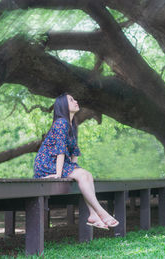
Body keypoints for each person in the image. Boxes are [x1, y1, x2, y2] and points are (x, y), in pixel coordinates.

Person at [34, 93, 118, 229]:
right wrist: (58, 173)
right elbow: (60, 150)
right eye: (71, 100)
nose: (76, 101)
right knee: (83, 174)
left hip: (60, 164)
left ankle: (93, 215)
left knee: (87, 174)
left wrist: (76, 169)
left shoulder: (72, 125)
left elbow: (74, 151)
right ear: (63, 106)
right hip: (48, 164)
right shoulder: (61, 123)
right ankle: (101, 212)